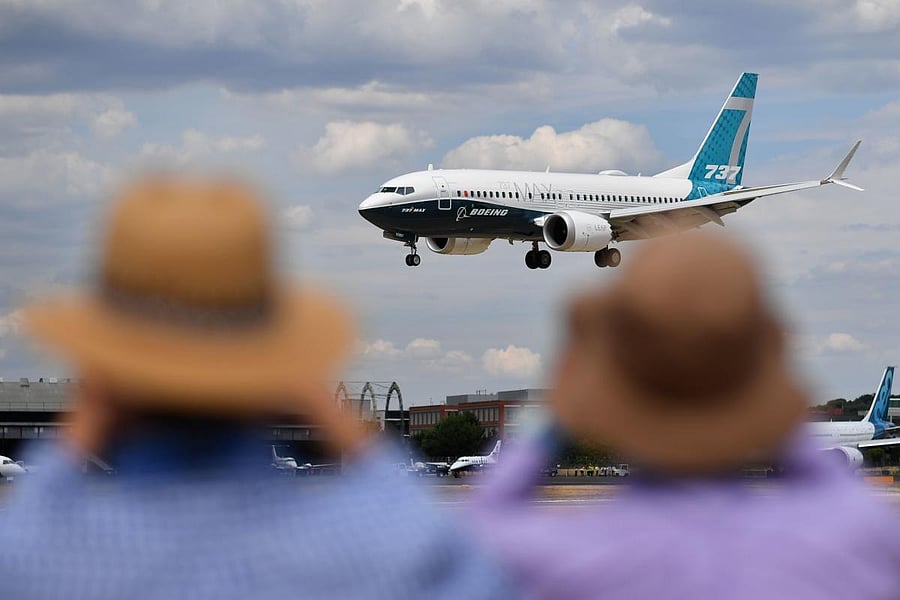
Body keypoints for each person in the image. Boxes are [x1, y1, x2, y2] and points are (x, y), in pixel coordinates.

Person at [0, 175, 514, 599]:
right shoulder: (394, 548)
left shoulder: (31, 552)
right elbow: (473, 577)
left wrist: (88, 409)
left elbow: (32, 517)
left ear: (102, 374)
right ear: (285, 366)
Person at [471, 233, 900, 599]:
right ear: (769, 374)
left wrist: (560, 408)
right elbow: (851, 507)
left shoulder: (539, 555)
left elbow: (480, 526)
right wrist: (770, 396)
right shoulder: (857, 542)